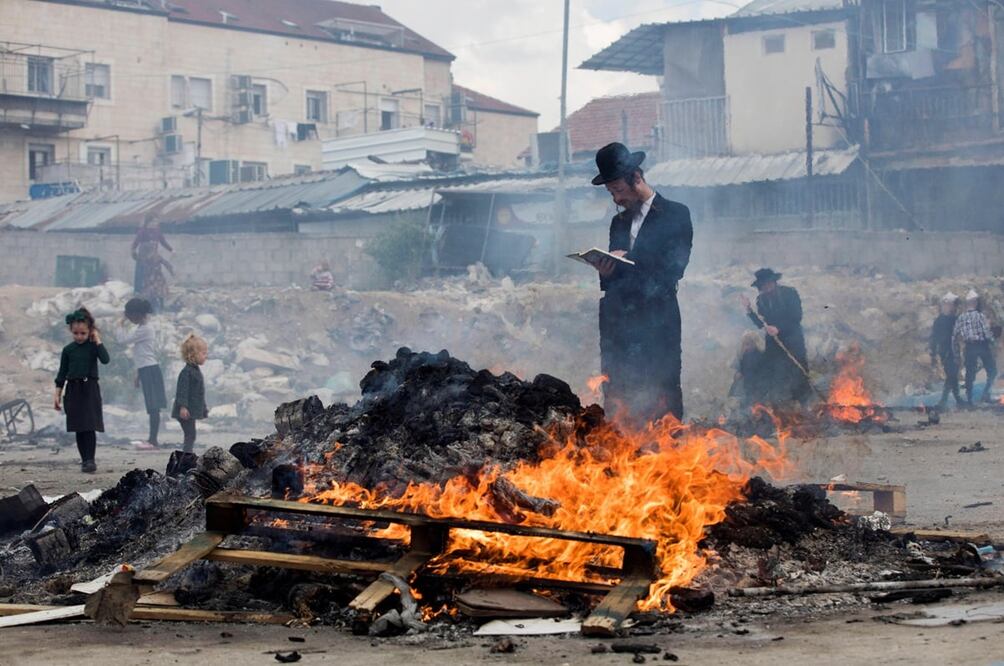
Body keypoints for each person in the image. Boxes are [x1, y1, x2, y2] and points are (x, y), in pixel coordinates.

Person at [589, 142, 693, 423]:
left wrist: (629, 259)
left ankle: (668, 456)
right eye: (611, 193)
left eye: (619, 191)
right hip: (619, 322)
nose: (616, 199)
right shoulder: (618, 223)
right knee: (620, 391)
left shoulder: (676, 214)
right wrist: (607, 269)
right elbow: (614, 280)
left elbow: (673, 269)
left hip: (657, 319)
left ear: (636, 179)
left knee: (661, 390)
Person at [741, 268, 811, 405]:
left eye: (768, 284)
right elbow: (762, 324)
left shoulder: (790, 294)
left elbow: (796, 317)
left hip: (792, 339)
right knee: (774, 371)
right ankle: (778, 404)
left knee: (798, 371)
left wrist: (778, 328)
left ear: (774, 282)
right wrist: (749, 310)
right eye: (762, 286)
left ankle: (804, 402)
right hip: (774, 342)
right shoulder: (761, 300)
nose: (766, 288)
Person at [53, 308, 110, 473]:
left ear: (89, 331)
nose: (79, 337)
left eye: (83, 333)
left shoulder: (93, 347)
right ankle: (84, 460)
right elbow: (62, 373)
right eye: (76, 333)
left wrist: (97, 340)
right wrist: (57, 394)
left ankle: (91, 459)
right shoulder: (68, 350)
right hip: (73, 389)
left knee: (89, 426)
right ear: (71, 330)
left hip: (90, 389)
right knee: (79, 426)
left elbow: (105, 360)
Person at [116, 297, 167, 449]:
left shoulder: (145, 329)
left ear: (138, 314)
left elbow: (122, 340)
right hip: (146, 369)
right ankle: (152, 439)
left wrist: (120, 324)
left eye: (130, 316)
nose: (129, 319)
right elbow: (142, 353)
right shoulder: (142, 328)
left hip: (150, 369)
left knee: (153, 406)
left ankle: (153, 440)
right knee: (151, 405)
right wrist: (138, 373)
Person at [953, 289, 997, 406]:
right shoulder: (980, 316)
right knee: (992, 371)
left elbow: (954, 336)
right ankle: (986, 394)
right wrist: (993, 342)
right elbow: (987, 333)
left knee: (970, 374)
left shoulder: (960, 318)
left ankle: (969, 400)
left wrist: (956, 353)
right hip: (982, 346)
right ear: (975, 302)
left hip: (969, 347)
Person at [172, 334, 208, 453]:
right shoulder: (187, 372)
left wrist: (203, 408)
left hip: (189, 410)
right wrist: (183, 407)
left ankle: (187, 455)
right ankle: (186, 457)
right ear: (193, 355)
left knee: (191, 435)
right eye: (203, 353)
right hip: (184, 411)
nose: (205, 356)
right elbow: (182, 391)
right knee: (190, 435)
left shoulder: (195, 370)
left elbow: (198, 393)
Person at [929, 292, 962, 409]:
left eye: (954, 305)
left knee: (953, 375)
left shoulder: (956, 319)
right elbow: (934, 338)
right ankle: (946, 401)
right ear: (945, 305)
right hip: (946, 352)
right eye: (950, 305)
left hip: (955, 351)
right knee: (951, 375)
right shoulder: (939, 321)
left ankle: (956, 400)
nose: (953, 307)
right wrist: (933, 354)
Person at [131, 216, 173, 295]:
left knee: (156, 276)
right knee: (142, 276)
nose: (155, 223)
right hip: (144, 259)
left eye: (156, 222)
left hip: (154, 259)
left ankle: (156, 293)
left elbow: (163, 242)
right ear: (148, 222)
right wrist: (133, 252)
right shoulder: (142, 231)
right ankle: (139, 293)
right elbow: (135, 244)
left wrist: (171, 250)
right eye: (153, 221)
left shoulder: (157, 232)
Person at [730, 331, 766, 408]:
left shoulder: (760, 356)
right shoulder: (745, 355)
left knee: (755, 406)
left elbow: (761, 373)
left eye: (748, 344)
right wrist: (740, 372)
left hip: (757, 388)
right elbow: (742, 367)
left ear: (754, 343)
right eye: (744, 344)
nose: (746, 347)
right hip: (746, 386)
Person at [138, 241, 175, 312]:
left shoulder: (152, 257)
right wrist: (171, 271)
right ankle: (156, 307)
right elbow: (166, 264)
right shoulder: (147, 257)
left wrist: (171, 271)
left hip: (155, 277)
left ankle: (159, 307)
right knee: (155, 293)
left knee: (157, 292)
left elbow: (166, 264)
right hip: (153, 277)